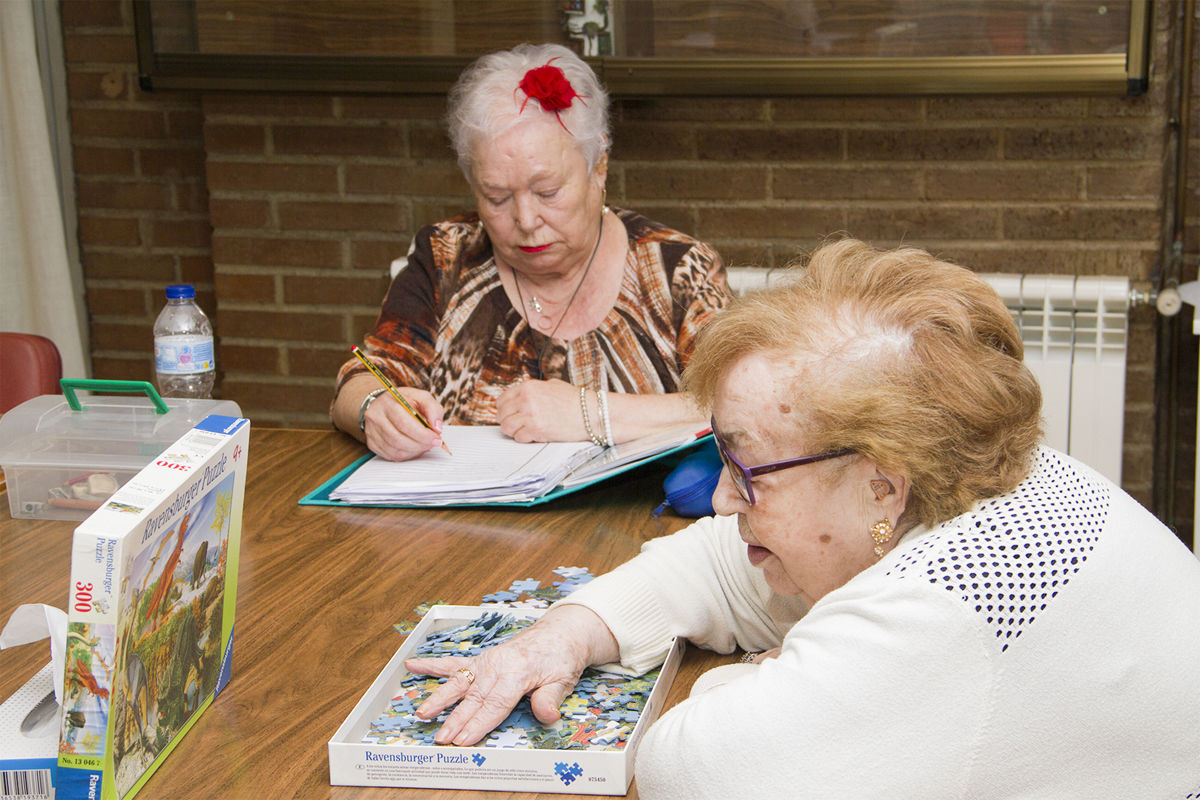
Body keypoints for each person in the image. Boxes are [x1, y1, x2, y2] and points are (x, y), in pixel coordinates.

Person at [403, 238, 1200, 797]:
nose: (721, 499)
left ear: (881, 486)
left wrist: (768, 676)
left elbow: (691, 772)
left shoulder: (940, 607)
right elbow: (722, 561)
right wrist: (566, 630)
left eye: (749, 473)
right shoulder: (963, 479)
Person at [331, 43, 729, 461]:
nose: (525, 219)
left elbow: (737, 404)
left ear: (599, 167)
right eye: (497, 197)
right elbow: (361, 379)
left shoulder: (678, 268)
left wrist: (591, 413)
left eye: (548, 191)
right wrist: (372, 408)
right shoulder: (445, 257)